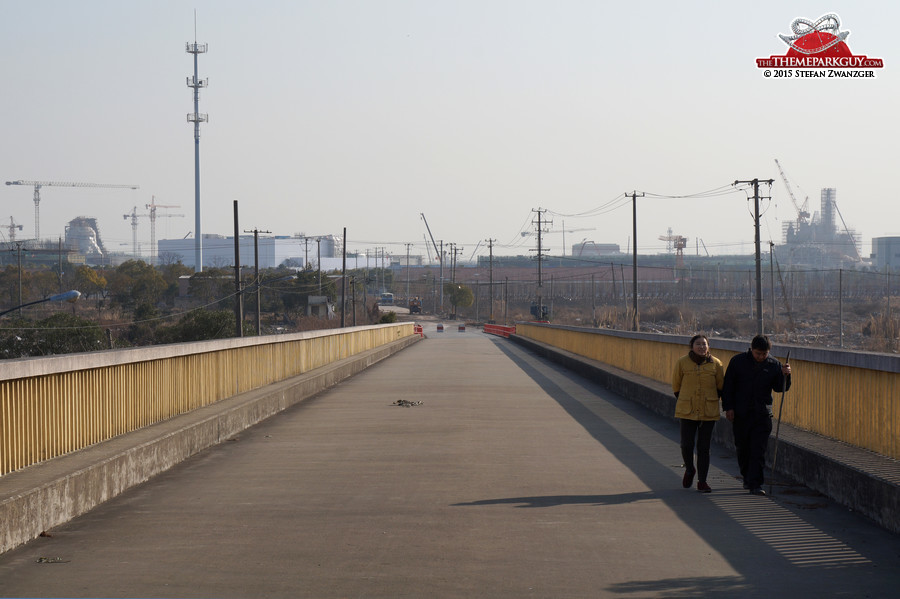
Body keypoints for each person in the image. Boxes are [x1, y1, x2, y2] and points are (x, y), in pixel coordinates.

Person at [722, 335, 792, 496]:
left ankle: (756, 483)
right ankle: (747, 477)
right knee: (742, 447)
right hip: (741, 413)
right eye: (758, 353)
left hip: (762, 414)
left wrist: (786, 375)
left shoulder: (774, 365)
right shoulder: (737, 362)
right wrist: (728, 408)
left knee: (758, 450)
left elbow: (780, 388)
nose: (761, 357)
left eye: (764, 354)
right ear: (751, 349)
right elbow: (728, 386)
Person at [672, 334, 725, 493]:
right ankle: (690, 469)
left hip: (708, 411)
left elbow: (720, 386)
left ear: (708, 346)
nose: (702, 347)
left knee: (704, 448)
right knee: (686, 444)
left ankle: (702, 481)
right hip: (687, 410)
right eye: (698, 344)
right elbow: (676, 386)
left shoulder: (716, 364)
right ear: (692, 346)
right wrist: (688, 399)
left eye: (704, 344)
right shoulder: (682, 362)